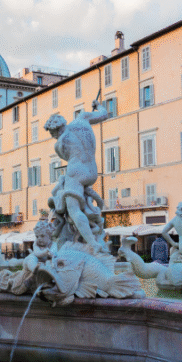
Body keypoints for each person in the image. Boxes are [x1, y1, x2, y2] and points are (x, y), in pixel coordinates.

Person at [44, 96, 108, 253]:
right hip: (92, 170)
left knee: (73, 209)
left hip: (76, 172)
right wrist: (98, 105)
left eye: (52, 133)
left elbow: (66, 157)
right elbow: (104, 114)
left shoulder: (59, 144)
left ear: (56, 130)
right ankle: (89, 230)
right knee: (81, 203)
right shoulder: (83, 119)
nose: (53, 136)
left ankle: (93, 243)